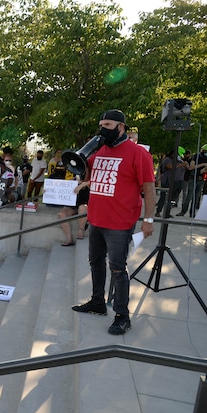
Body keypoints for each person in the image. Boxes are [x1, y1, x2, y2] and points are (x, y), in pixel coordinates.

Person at [72, 109, 156, 335]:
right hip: (96, 218)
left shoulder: (138, 153)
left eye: (107, 125)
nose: (102, 129)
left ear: (121, 127)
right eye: (101, 125)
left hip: (120, 222)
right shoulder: (99, 151)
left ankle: (122, 315)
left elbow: (149, 188)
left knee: (118, 269)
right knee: (95, 261)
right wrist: (84, 182)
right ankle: (98, 302)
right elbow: (88, 172)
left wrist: (148, 219)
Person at [178, 144, 207, 217]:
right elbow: (191, 167)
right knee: (189, 196)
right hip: (193, 178)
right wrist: (203, 164)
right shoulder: (196, 156)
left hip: (202, 179)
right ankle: (183, 211)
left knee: (196, 197)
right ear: (204, 151)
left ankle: (192, 213)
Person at [58, 179, 90, 246]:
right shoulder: (71, 175)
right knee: (62, 214)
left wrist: (82, 185)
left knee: (82, 208)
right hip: (72, 204)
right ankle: (69, 239)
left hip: (85, 204)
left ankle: (81, 229)